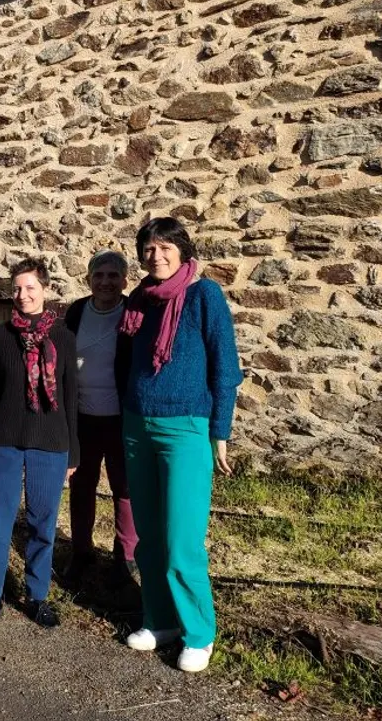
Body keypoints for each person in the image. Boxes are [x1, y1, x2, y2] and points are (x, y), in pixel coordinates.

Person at [119, 217, 241, 673]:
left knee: (182, 540)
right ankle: (160, 619)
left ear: (183, 252)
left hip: (186, 427)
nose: (156, 256)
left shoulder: (203, 295)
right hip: (137, 425)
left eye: (165, 247)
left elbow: (226, 367)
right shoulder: (139, 301)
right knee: (148, 536)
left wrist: (220, 432)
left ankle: (199, 632)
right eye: (148, 249)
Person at [0, 257, 79, 630]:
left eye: (30, 288)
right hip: (5, 443)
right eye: (17, 288)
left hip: (50, 444)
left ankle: (37, 596)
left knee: (42, 524)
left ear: (44, 290)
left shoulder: (63, 337)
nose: (22, 295)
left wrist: (73, 451)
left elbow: (72, 399)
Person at [63, 250, 138, 585]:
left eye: (113, 276)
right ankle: (81, 551)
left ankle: (126, 558)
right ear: (89, 279)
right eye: (99, 275)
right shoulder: (78, 311)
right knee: (82, 486)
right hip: (83, 417)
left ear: (125, 280)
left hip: (121, 417)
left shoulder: (134, 313)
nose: (105, 282)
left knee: (125, 489)